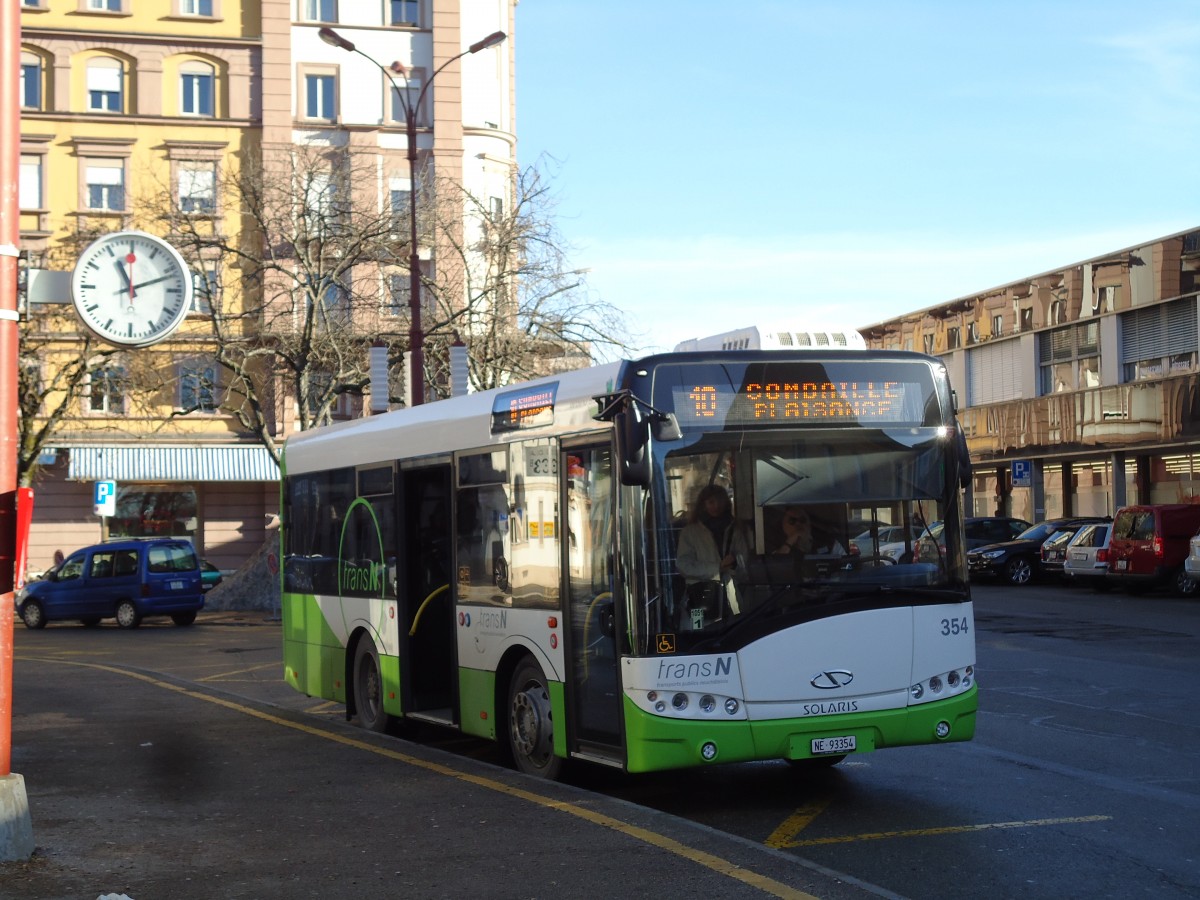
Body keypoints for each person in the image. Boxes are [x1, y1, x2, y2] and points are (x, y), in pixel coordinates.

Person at [676, 485, 750, 623]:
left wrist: (734, 564)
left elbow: (744, 565)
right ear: (703, 504)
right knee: (697, 632)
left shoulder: (735, 529)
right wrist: (717, 568)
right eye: (711, 502)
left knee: (735, 632)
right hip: (698, 595)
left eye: (719, 501)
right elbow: (683, 565)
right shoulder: (690, 532)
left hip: (730, 595)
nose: (716, 506)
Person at [773, 506, 846, 557]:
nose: (798, 524)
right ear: (784, 525)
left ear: (809, 524)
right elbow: (776, 567)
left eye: (802, 520)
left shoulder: (829, 542)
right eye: (792, 521)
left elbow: (845, 566)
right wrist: (791, 540)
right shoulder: (777, 545)